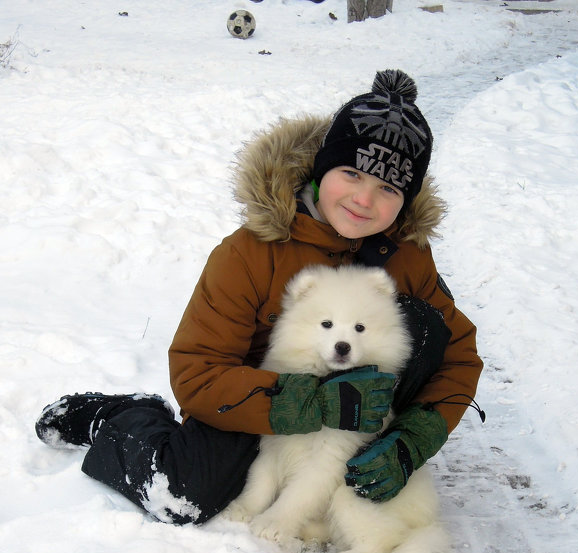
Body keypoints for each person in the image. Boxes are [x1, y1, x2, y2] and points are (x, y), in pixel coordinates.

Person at [35, 69, 483, 525]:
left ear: (405, 200)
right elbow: (197, 372)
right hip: (256, 403)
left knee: (424, 325)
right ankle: (116, 418)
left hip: (354, 421)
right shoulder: (251, 251)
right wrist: (310, 402)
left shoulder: (406, 256)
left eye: (387, 187)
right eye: (351, 173)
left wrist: (414, 437)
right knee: (186, 492)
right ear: (322, 167)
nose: (364, 200)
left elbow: (458, 358)